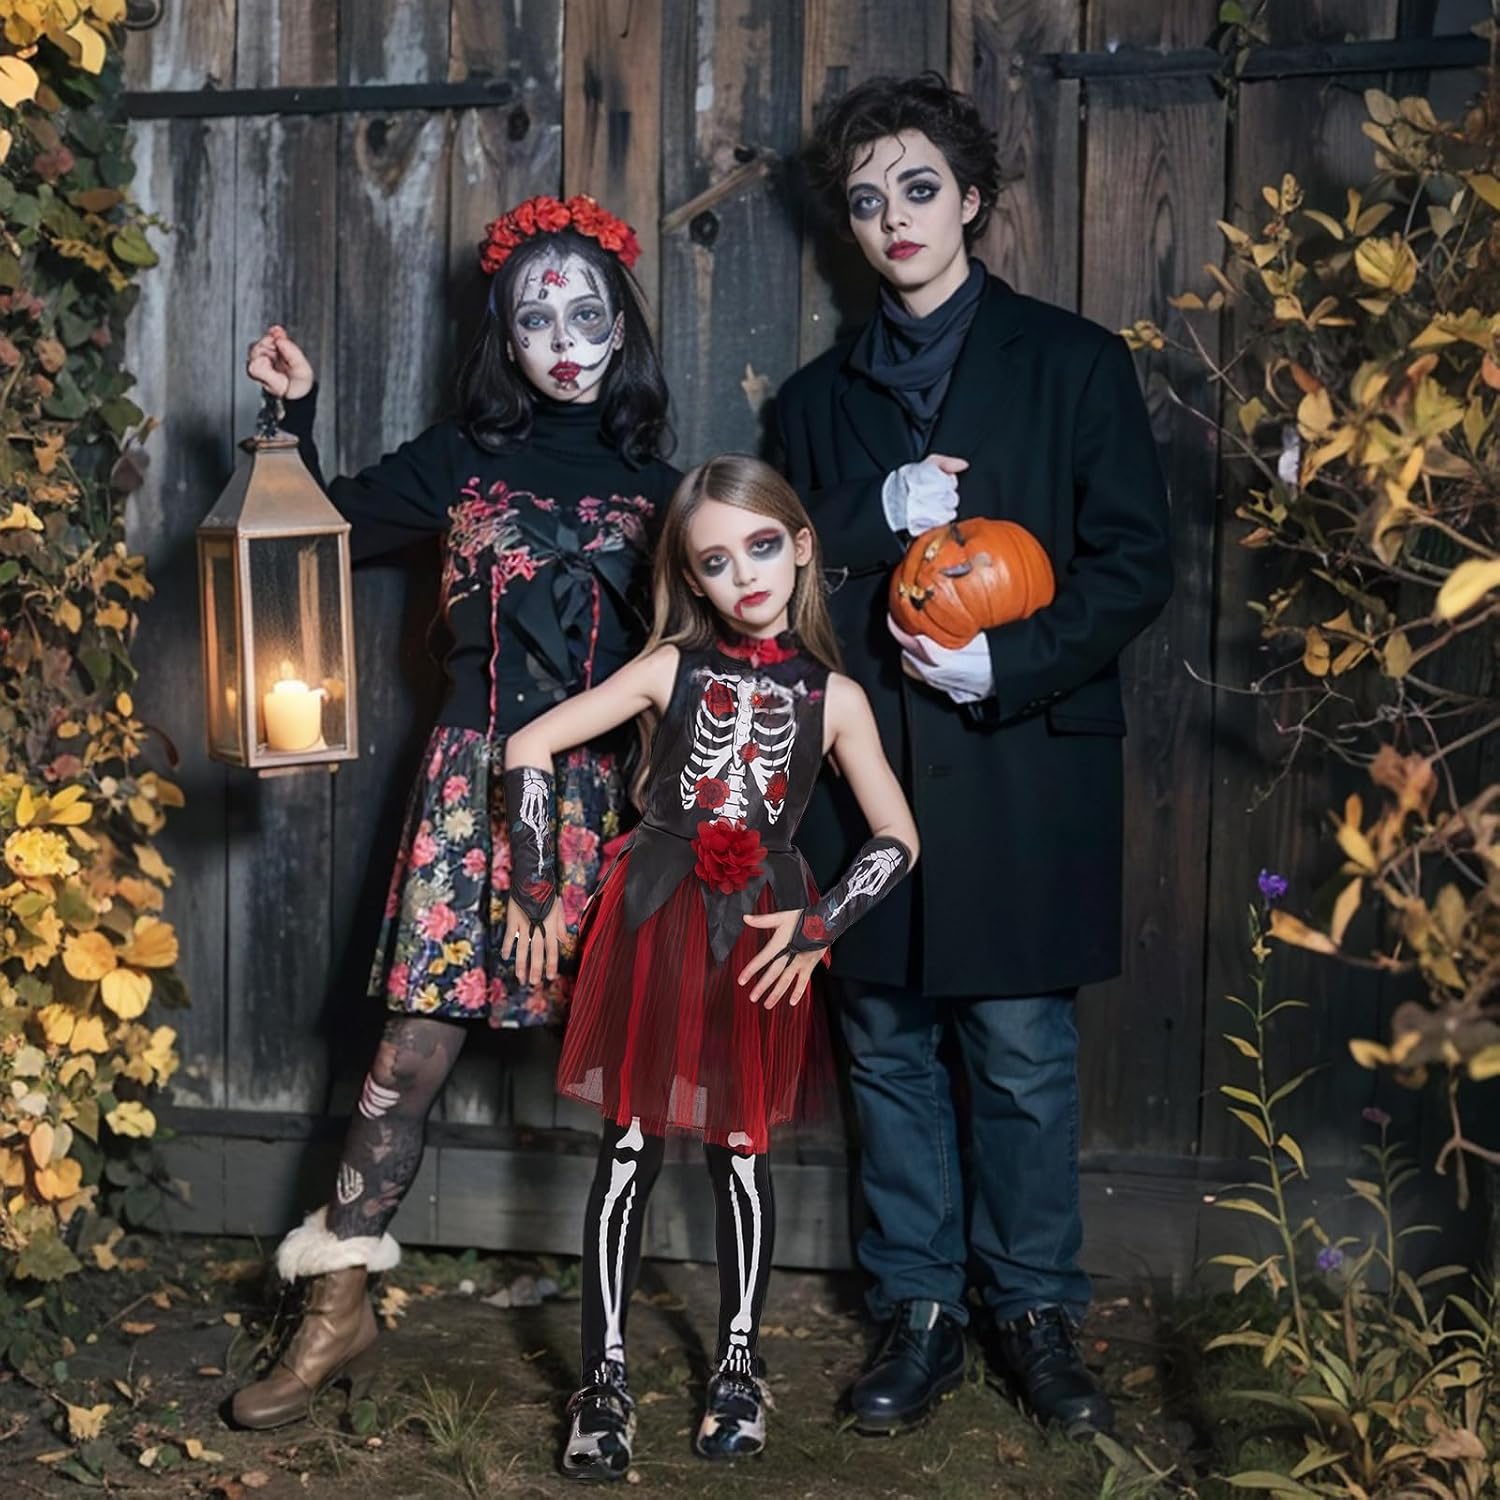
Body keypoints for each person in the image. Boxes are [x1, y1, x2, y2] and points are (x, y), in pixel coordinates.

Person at [229, 196, 681, 1430]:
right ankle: (335, 1311)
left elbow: (738, 618)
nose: (565, 340)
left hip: (610, 798)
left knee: (631, 1068)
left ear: (622, 327)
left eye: (587, 314)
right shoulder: (457, 461)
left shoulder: (664, 487)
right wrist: (293, 414)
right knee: (406, 1056)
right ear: (505, 337)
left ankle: (611, 1357)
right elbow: (318, 527)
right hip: (473, 793)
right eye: (536, 319)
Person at [776, 73, 1173, 1438]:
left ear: (974, 201)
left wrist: (1012, 661)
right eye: (866, 198)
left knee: (1017, 1050)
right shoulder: (815, 402)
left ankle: (1036, 1311)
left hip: (1022, 765)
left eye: (919, 188)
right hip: (870, 776)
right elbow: (778, 571)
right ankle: (919, 1309)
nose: (894, 216)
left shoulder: (1075, 363)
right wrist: (868, 516)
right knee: (885, 1043)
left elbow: (1134, 562)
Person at [499, 454, 919, 1478]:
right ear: (691, 578)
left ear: (802, 546)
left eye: (762, 547)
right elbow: (528, 746)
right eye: (717, 562)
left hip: (764, 936)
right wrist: (534, 886)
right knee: (629, 1144)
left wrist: (820, 926)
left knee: (742, 1145)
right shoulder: (667, 670)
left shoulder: (836, 698)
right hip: (656, 916)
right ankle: (602, 1378)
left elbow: (898, 838)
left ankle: (738, 1363)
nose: (745, 576)